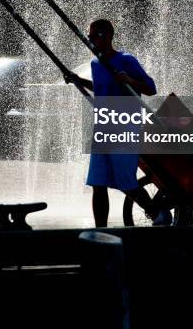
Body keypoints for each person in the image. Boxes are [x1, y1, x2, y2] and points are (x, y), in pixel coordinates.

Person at [72, 18, 172, 227]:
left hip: (125, 126)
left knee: (125, 181)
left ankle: (155, 212)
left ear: (108, 36)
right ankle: (100, 231)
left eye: (95, 37)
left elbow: (150, 88)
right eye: (89, 37)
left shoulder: (126, 60)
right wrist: (78, 80)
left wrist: (130, 81)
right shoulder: (95, 63)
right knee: (98, 183)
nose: (91, 41)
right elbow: (100, 89)